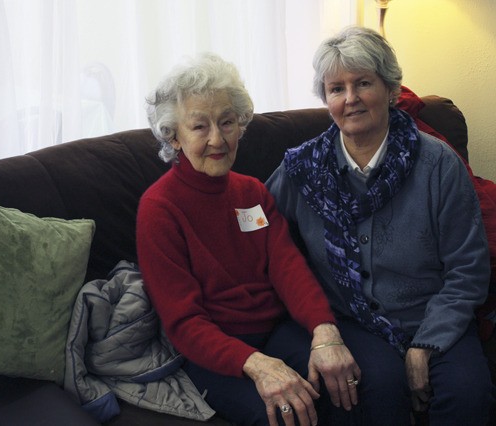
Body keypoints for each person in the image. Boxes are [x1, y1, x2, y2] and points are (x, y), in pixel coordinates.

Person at [266, 26, 493, 425]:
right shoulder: (301, 170)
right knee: (376, 392)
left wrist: (425, 345)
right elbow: (259, 234)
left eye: (363, 83)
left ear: (390, 90)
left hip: (435, 318)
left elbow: (467, 270)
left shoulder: (439, 165)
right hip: (350, 323)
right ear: (326, 99)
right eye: (336, 88)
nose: (350, 99)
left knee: (469, 398)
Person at [136, 52, 360, 426]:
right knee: (284, 414)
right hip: (212, 351)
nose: (217, 139)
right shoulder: (159, 209)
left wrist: (324, 330)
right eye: (199, 127)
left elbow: (288, 267)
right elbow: (184, 322)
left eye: (227, 122)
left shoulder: (252, 192)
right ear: (172, 136)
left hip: (275, 329)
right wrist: (257, 365)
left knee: (347, 384)